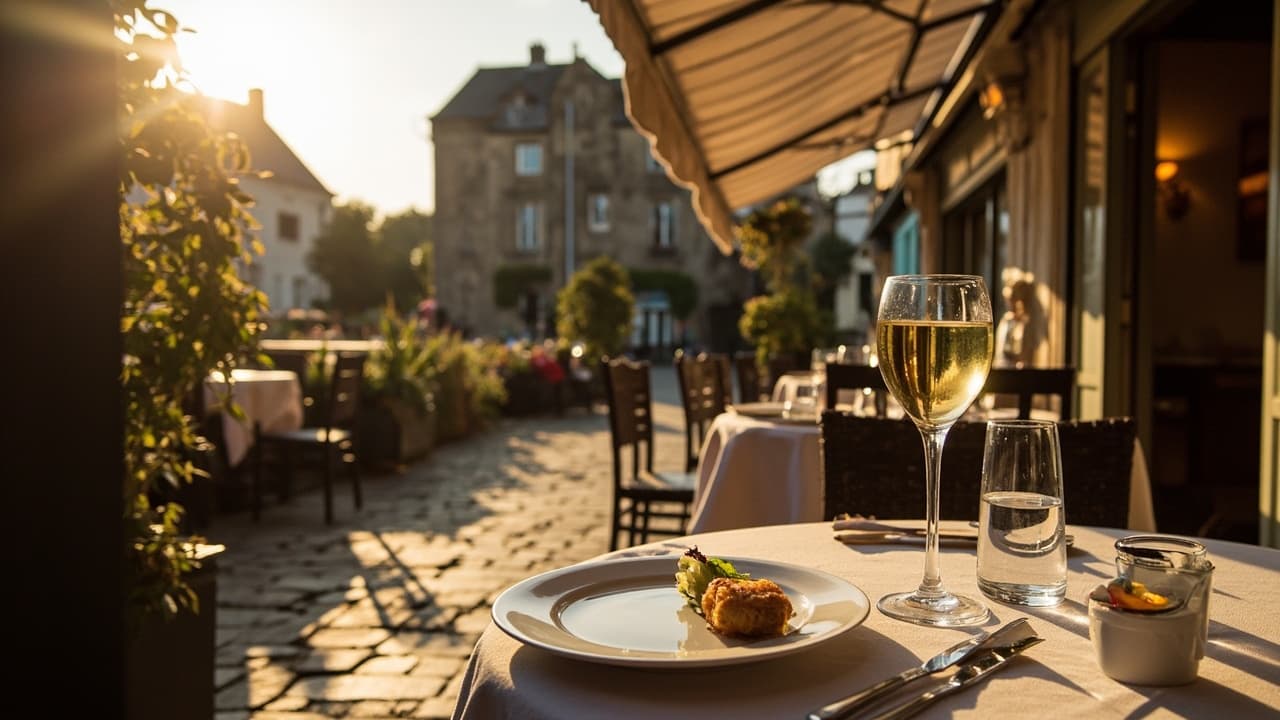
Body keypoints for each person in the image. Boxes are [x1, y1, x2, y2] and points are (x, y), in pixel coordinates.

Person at [994, 273, 1045, 369]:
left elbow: (1025, 352)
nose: (1008, 302)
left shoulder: (1026, 323)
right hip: (1002, 368)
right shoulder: (1007, 319)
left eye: (1011, 298)